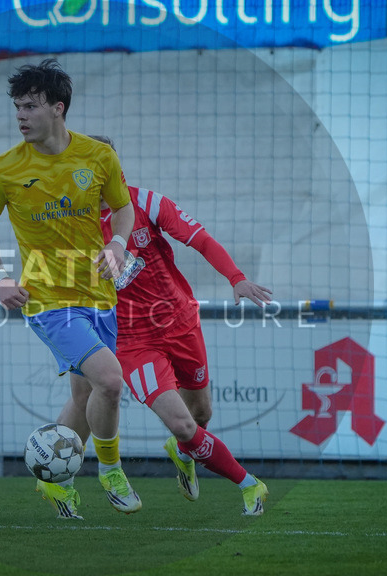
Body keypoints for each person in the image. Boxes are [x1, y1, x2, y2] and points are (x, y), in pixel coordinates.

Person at [62, 135, 273, 516]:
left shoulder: (146, 203)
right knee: (181, 422)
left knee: (201, 414)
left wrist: (236, 278)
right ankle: (249, 484)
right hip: (132, 340)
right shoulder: (74, 225)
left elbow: (200, 239)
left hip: (181, 322)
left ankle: (182, 451)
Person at [0, 59, 142, 520]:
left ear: (58, 108)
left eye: (30, 106)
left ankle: (56, 482)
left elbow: (123, 210)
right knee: (110, 381)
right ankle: (110, 471)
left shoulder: (98, 156)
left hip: (100, 296)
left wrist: (119, 244)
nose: (20, 115)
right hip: (47, 300)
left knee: (86, 397)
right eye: (17, 107)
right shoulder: (4, 169)